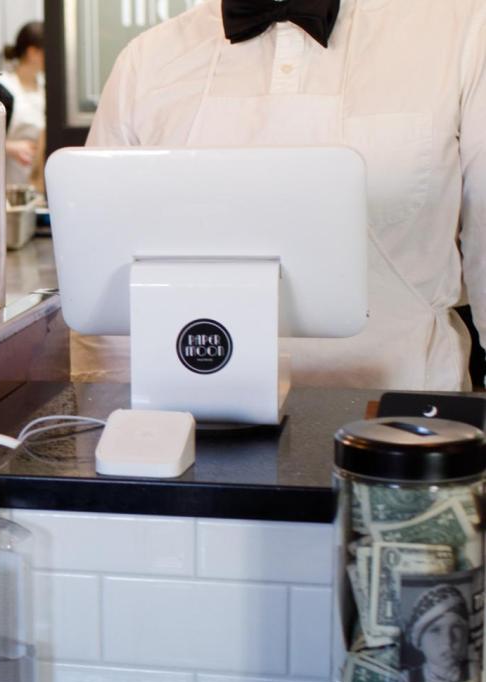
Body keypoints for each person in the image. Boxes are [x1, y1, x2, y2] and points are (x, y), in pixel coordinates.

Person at [73, 0, 486, 391]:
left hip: (404, 422)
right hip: (188, 424)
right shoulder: (146, 62)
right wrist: (109, 426)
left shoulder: (460, 29)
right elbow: (102, 282)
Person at [0, 22, 45, 191]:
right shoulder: (2, 88)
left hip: (36, 184)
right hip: (7, 185)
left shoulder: (44, 87)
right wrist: (11, 148)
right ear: (32, 52)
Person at [401, 585, 471, 682]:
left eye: (456, 627)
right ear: (419, 642)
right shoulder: (405, 681)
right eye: (435, 630)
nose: (448, 641)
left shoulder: (474, 671)